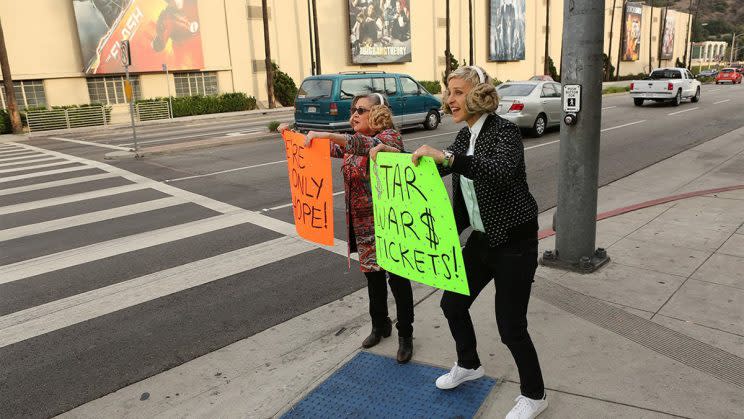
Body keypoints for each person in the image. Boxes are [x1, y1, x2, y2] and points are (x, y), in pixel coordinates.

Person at [373, 66, 547, 419]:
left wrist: (450, 158)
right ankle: (469, 364)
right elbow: (432, 169)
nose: (448, 99)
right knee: (452, 304)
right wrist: (392, 160)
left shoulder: (505, 132)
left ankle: (535, 395)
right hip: (483, 240)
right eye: (447, 92)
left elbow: (497, 171)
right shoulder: (465, 136)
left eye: (456, 92)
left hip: (515, 243)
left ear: (477, 95)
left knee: (511, 326)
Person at [278, 93, 415, 364]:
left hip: (391, 227)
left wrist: (331, 136)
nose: (353, 115)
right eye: (352, 109)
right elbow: (321, 148)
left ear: (377, 113)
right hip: (363, 226)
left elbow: (368, 144)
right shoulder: (351, 142)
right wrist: (292, 135)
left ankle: (405, 336)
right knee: (373, 280)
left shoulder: (389, 138)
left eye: (361, 110)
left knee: (398, 282)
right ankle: (380, 325)